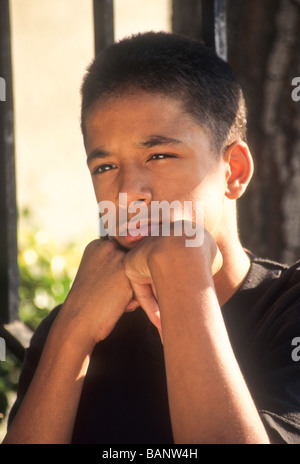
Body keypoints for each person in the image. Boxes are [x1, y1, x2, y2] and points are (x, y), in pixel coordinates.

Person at [3, 31, 300, 444]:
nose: (127, 193)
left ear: (233, 171)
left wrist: (182, 265)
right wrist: (71, 333)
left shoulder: (288, 310)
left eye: (159, 156)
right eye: (104, 166)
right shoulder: (77, 324)